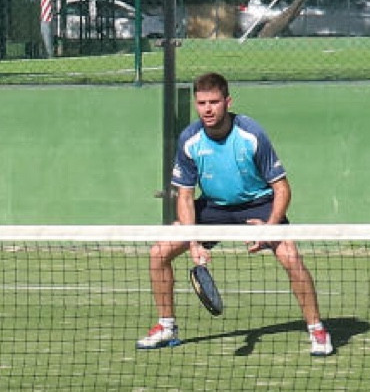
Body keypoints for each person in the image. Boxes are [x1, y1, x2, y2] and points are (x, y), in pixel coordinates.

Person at [138, 72, 333, 357]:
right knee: (159, 253)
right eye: (202, 103)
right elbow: (185, 196)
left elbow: (282, 189)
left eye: (214, 102)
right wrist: (193, 242)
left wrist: (269, 227)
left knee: (291, 258)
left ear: (227, 102)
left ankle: (317, 329)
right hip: (214, 208)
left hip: (258, 205)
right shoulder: (190, 140)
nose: (207, 109)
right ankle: (166, 326)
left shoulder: (251, 134)